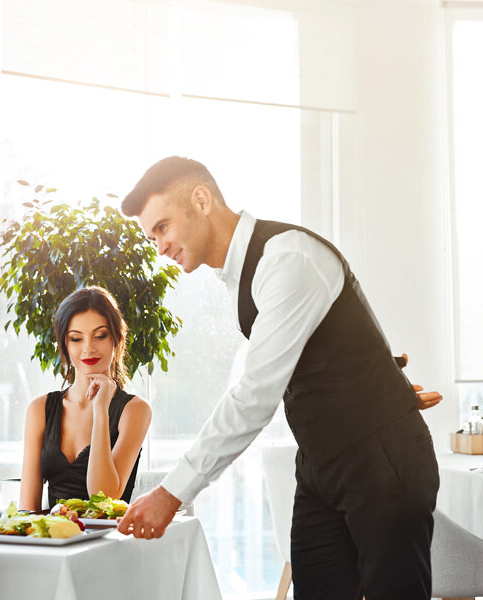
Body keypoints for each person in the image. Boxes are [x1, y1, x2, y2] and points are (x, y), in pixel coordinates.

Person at [116, 156, 440, 600]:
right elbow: (324, 351)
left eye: (162, 227)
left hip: (381, 460)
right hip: (320, 465)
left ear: (201, 199)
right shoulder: (237, 278)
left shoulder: (287, 258)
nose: (160, 246)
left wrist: (173, 493)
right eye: (153, 235)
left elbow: (254, 396)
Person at [19, 286, 152, 510]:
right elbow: (27, 510)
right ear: (65, 344)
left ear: (117, 339)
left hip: (107, 542)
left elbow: (105, 498)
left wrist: (101, 410)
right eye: (76, 339)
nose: (88, 349)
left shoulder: (135, 410)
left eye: (100, 335)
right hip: (53, 539)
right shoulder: (40, 409)